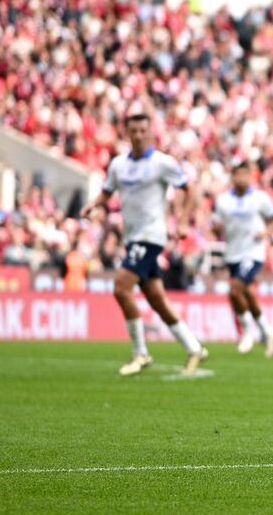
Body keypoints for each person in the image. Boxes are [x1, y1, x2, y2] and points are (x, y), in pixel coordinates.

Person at [83, 113, 208, 376]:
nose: (138, 136)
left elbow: (191, 191)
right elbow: (107, 191)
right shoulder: (118, 165)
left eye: (143, 130)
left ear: (150, 132)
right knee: (156, 299)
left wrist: (184, 222)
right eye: (134, 131)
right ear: (127, 133)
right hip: (133, 238)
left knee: (120, 287)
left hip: (150, 237)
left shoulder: (162, 163)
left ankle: (140, 353)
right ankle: (194, 347)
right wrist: (93, 205)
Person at [212, 160, 273, 358]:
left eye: (244, 174)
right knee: (248, 294)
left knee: (234, 291)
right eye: (237, 175)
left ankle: (247, 333)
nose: (241, 178)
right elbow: (216, 223)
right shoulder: (223, 200)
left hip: (253, 252)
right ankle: (266, 331)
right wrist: (216, 228)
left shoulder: (260, 198)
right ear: (232, 177)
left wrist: (266, 232)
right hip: (233, 253)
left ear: (250, 177)